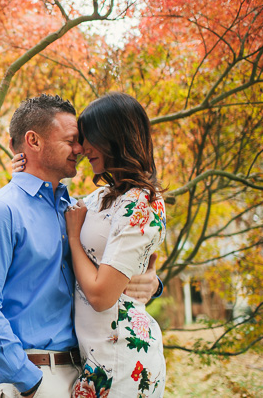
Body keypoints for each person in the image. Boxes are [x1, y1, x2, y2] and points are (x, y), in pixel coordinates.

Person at [0, 94, 160, 398]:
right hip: (37, 375)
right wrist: (28, 381)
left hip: (88, 374)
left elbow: (116, 251)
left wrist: (151, 282)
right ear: (34, 141)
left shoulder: (75, 209)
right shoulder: (0, 212)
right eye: (71, 140)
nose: (80, 149)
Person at [63, 92, 166, 396]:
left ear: (116, 138)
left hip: (123, 355)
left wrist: (73, 238)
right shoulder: (100, 198)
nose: (82, 148)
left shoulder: (143, 201)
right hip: (95, 356)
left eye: (89, 138)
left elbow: (100, 295)